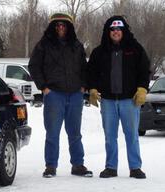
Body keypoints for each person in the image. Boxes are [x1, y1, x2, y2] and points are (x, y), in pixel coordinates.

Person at [28, 13, 92, 178]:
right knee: (52, 133)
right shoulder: (44, 45)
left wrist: (84, 86)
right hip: (54, 94)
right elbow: (34, 66)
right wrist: (43, 87)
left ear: (69, 27)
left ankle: (78, 165)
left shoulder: (76, 45)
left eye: (64, 25)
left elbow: (84, 68)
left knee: (75, 132)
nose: (61, 28)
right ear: (53, 27)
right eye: (57, 25)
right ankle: (51, 166)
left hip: (75, 94)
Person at [87, 16, 150, 179]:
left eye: (119, 29)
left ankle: (135, 167)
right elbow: (91, 72)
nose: (116, 32)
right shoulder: (99, 52)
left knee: (132, 135)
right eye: (113, 30)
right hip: (108, 101)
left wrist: (142, 88)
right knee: (110, 136)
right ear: (108, 32)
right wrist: (92, 88)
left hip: (130, 100)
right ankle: (111, 167)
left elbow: (144, 70)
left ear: (124, 31)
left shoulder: (135, 49)